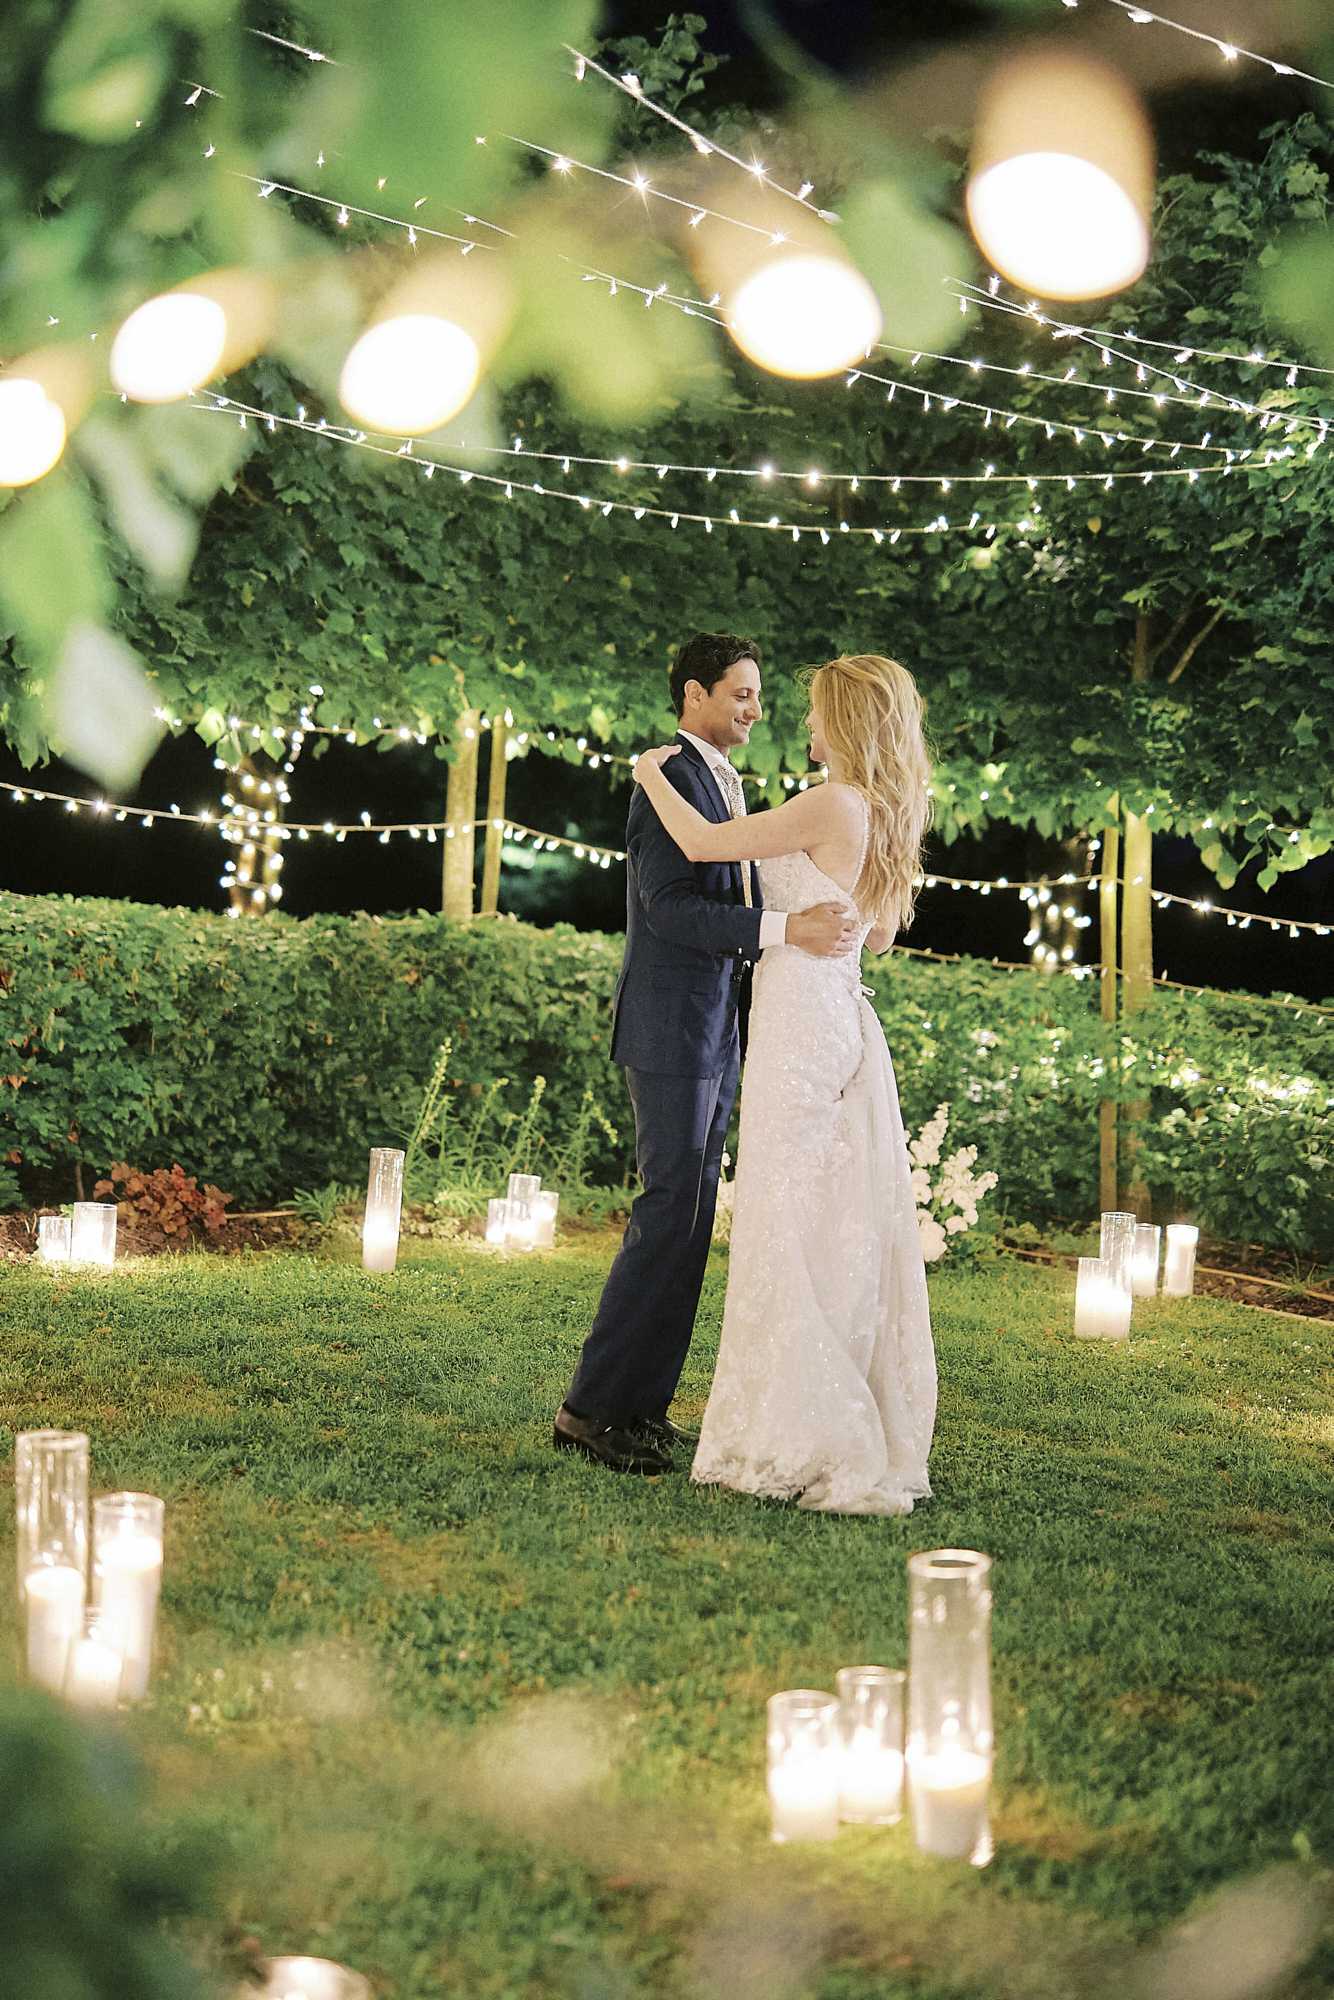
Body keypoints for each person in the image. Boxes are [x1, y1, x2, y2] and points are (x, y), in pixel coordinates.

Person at [629, 653, 937, 1516]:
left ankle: (792, 1427)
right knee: (822, 1217)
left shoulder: (831, 801)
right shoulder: (877, 811)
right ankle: (812, 1404)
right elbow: (875, 939)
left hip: (799, 1022)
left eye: (813, 711)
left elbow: (699, 844)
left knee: (783, 1218)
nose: (801, 723)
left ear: (845, 721)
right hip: (839, 1015)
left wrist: (651, 773)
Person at [553, 633, 861, 1475]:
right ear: (694, 695)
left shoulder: (722, 785)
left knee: (689, 1223)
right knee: (666, 1214)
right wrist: (780, 931)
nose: (755, 711)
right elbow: (667, 907)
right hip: (670, 1026)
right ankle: (590, 1409)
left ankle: (642, 1409)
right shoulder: (672, 778)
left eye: (759, 696)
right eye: (742, 695)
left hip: (719, 1027)